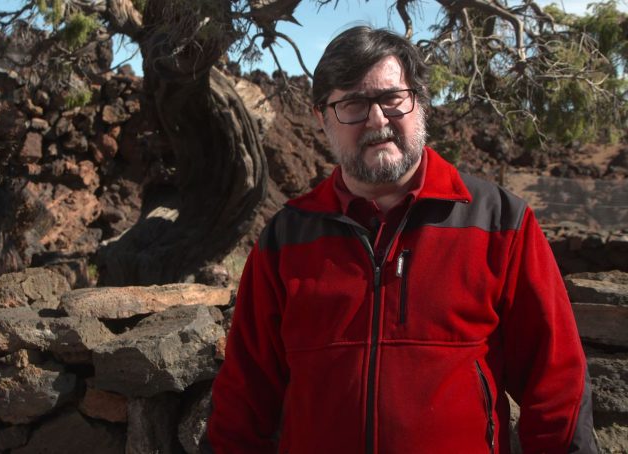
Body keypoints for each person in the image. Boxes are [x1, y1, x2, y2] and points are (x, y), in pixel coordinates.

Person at [205, 26, 596, 453]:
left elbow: (556, 383)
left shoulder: (500, 223)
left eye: (392, 98)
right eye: (353, 104)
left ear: (420, 102)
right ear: (321, 118)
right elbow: (243, 398)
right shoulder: (285, 239)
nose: (377, 120)